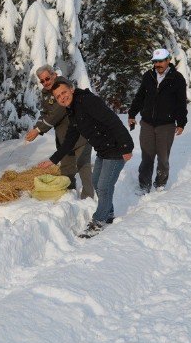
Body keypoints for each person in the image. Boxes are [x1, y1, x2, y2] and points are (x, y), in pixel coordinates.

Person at [38, 79, 134, 238]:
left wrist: (126, 147)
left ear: (71, 89)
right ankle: (108, 213)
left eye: (64, 92)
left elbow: (113, 120)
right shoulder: (72, 110)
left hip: (116, 148)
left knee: (103, 186)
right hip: (103, 150)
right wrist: (53, 159)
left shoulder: (87, 101)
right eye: (58, 96)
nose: (62, 97)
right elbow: (70, 138)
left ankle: (98, 221)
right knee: (96, 182)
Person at [24, 65, 94, 199]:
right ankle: (69, 195)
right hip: (63, 138)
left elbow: (58, 112)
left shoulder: (63, 86)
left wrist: (38, 130)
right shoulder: (45, 93)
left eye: (47, 78)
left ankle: (88, 198)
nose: (45, 82)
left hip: (80, 135)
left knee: (83, 166)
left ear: (54, 75)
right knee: (66, 169)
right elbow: (45, 113)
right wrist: (36, 127)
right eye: (42, 81)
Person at [127, 48, 187, 193]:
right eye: (155, 62)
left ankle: (160, 184)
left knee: (163, 158)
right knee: (147, 157)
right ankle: (144, 186)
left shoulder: (177, 78)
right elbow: (140, 96)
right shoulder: (148, 76)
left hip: (166, 125)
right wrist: (132, 114)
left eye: (161, 61)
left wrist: (181, 122)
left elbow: (181, 103)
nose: (158, 65)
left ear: (168, 61)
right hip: (147, 122)